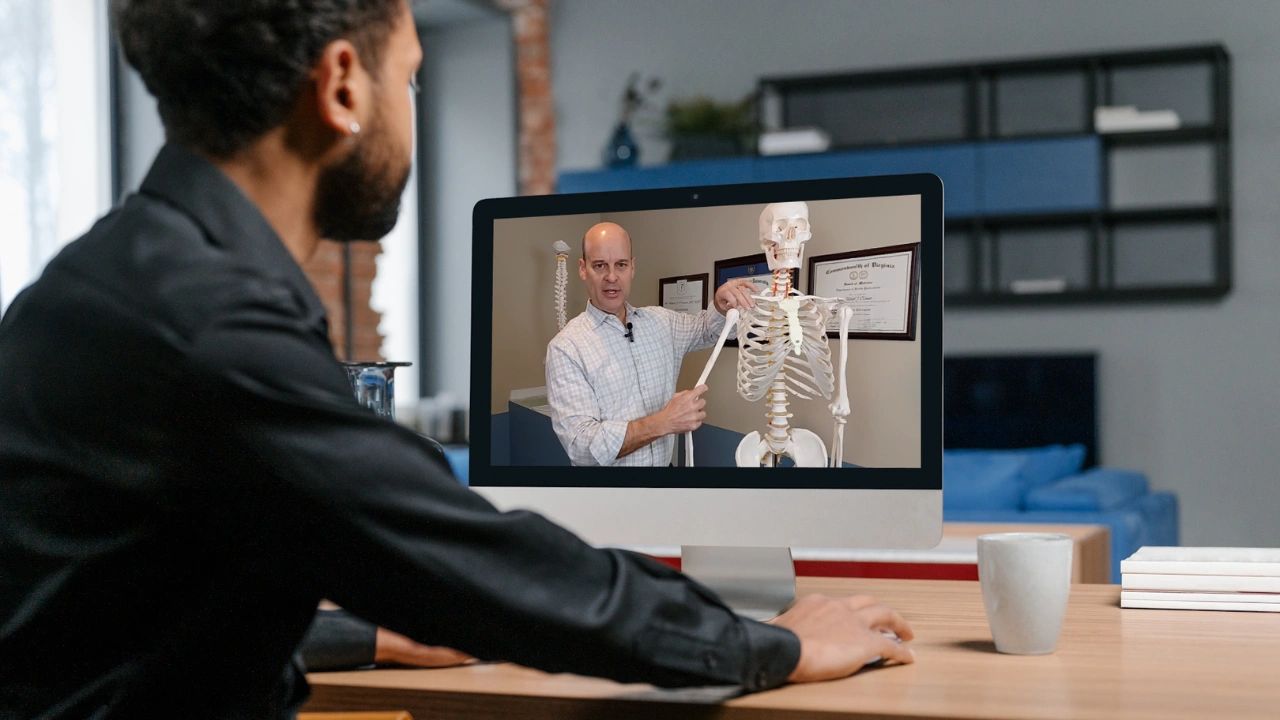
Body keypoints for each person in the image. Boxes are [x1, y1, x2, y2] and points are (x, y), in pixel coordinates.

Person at [0, 2, 914, 718]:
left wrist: (368, 636)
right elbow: (486, 571)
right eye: (413, 78)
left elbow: (124, 627)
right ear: (345, 86)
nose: (412, 109)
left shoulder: (108, 286)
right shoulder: (209, 331)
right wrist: (771, 645)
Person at [545, 222, 756, 466]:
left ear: (632, 267)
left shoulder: (661, 322)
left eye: (621, 265)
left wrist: (720, 305)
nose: (611, 277)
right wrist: (663, 422)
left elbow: (706, 329)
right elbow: (581, 447)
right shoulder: (566, 348)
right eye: (600, 265)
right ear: (583, 269)